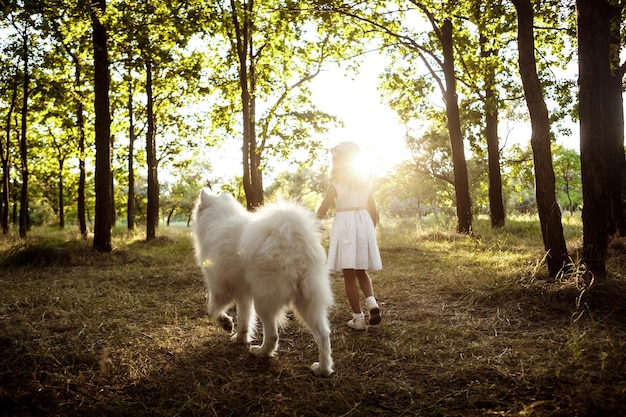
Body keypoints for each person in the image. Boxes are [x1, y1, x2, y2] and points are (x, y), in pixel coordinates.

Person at [316, 141, 382, 330]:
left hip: (345, 225)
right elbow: (374, 211)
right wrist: (371, 230)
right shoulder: (366, 182)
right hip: (363, 223)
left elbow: (323, 207)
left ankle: (358, 318)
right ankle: (372, 303)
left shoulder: (336, 183)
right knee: (362, 270)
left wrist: (315, 223)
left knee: (348, 274)